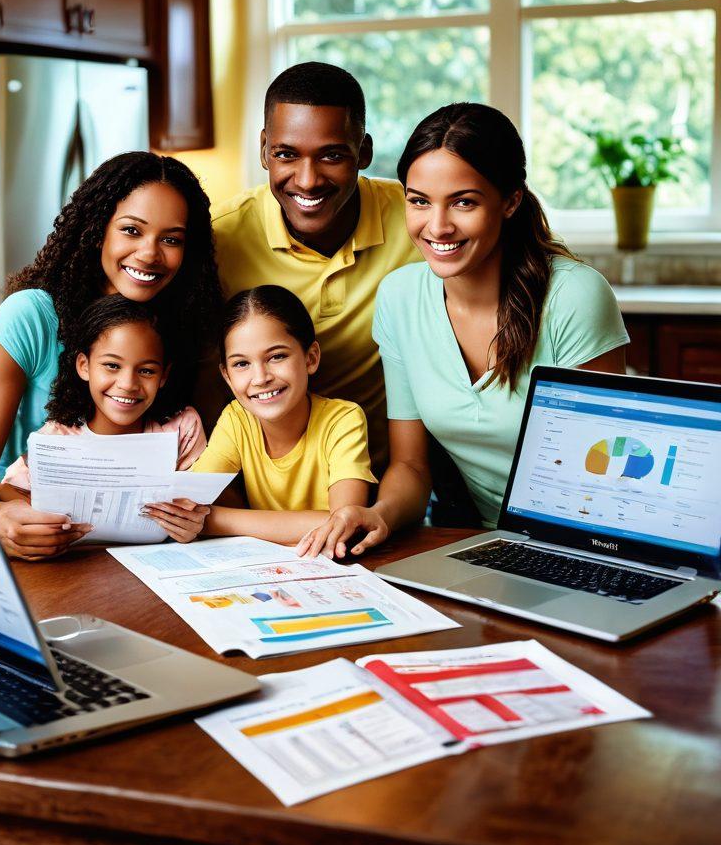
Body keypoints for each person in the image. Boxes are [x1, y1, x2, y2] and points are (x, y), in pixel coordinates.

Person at [297, 102, 629, 560]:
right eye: (419, 201)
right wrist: (380, 514)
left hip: (587, 542)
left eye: (464, 202)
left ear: (510, 201)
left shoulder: (574, 295)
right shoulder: (399, 298)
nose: (437, 227)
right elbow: (411, 466)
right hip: (481, 542)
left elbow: (603, 471)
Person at [0, 151, 222, 559]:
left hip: (142, 553)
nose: (149, 253)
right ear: (97, 231)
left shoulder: (184, 328)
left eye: (171, 239)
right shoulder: (30, 317)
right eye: (131, 230)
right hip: (31, 542)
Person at [208, 62, 420, 474]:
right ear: (264, 150)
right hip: (259, 484)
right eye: (286, 154)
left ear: (364, 152)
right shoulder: (220, 238)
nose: (307, 180)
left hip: (385, 476)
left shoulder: (416, 219)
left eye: (332, 156)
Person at [0, 295, 209, 557]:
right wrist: (35, 513)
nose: (127, 384)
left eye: (146, 371)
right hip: (75, 567)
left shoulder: (181, 428)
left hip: (158, 565)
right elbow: (5, 488)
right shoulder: (58, 436)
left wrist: (194, 523)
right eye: (112, 366)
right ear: (84, 366)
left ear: (163, 375)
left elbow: (202, 502)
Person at [191, 285, 376, 545]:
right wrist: (196, 517)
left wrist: (213, 521)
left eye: (276, 357)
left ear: (310, 358)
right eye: (241, 364)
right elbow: (190, 503)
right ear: (227, 377)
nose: (260, 378)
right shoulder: (237, 419)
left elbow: (344, 524)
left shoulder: (342, 420)